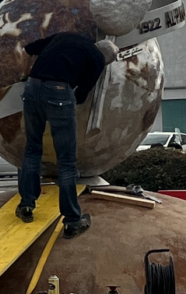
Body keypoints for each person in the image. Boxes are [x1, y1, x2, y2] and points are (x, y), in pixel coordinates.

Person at [15, 32, 119, 239]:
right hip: (60, 94)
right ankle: (72, 220)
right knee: (66, 161)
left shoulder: (66, 36)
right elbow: (81, 96)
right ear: (106, 59)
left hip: (31, 87)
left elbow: (27, 49)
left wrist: (26, 73)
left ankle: (26, 205)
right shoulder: (97, 60)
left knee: (32, 149)